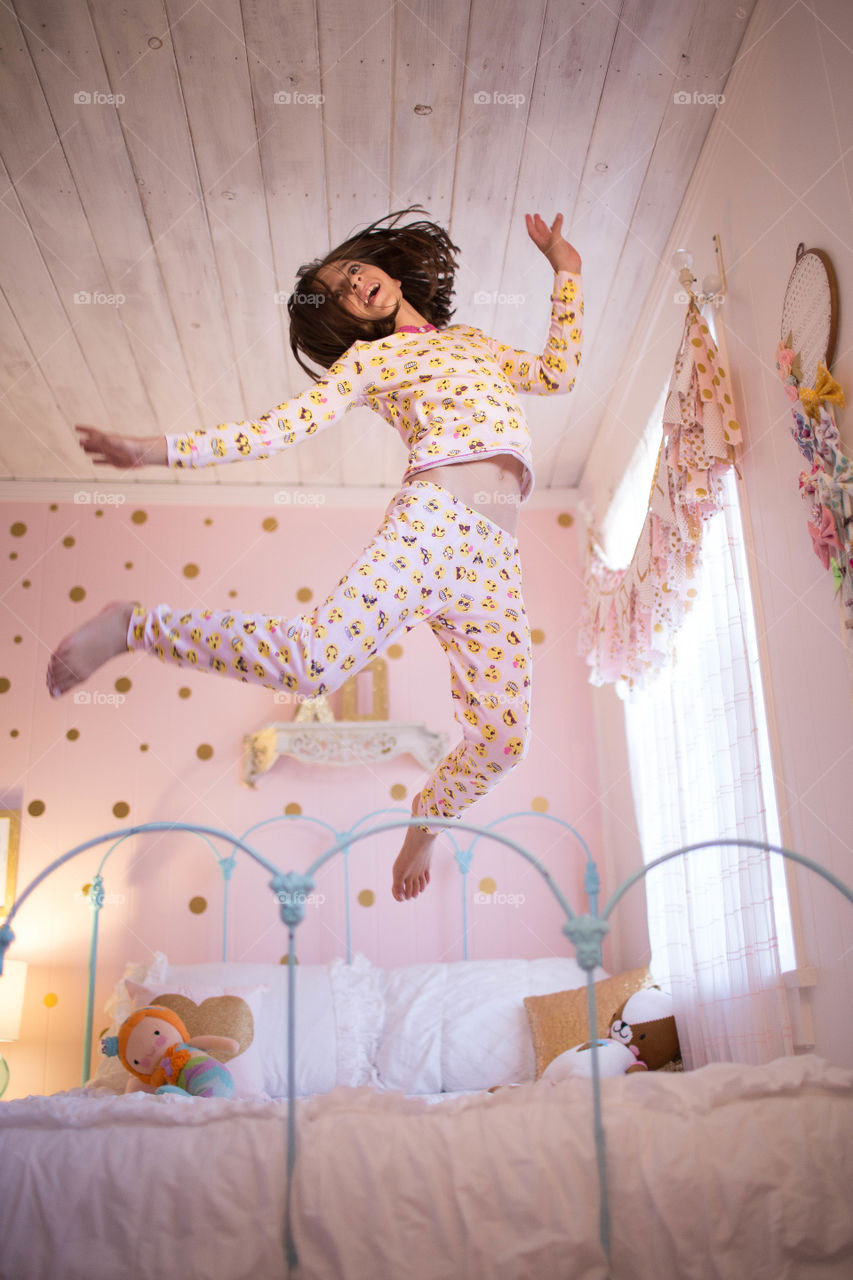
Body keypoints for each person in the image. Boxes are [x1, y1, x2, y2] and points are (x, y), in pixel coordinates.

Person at [46, 207, 583, 902]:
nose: (354, 286)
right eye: (338, 293)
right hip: (435, 522)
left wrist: (565, 273)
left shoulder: (474, 344)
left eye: (354, 270)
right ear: (351, 322)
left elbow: (556, 374)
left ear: (383, 268)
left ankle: (425, 820)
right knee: (309, 665)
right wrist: (154, 450)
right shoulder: (371, 360)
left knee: (505, 739)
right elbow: (273, 430)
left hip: (494, 557)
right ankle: (134, 627)